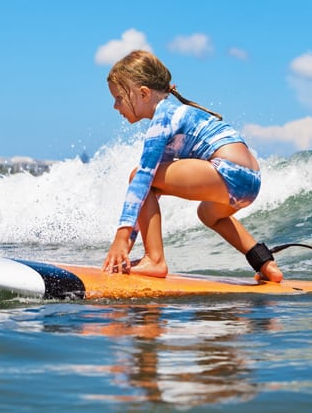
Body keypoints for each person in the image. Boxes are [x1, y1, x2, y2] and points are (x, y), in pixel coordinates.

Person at [101, 50, 283, 283]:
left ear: (143, 94)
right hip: (251, 180)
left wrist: (121, 236)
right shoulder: (176, 115)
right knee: (208, 214)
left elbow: (143, 181)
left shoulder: (164, 119)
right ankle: (264, 263)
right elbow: (145, 197)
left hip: (226, 169)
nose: (115, 106)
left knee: (139, 175)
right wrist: (126, 244)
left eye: (118, 98)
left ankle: (155, 260)